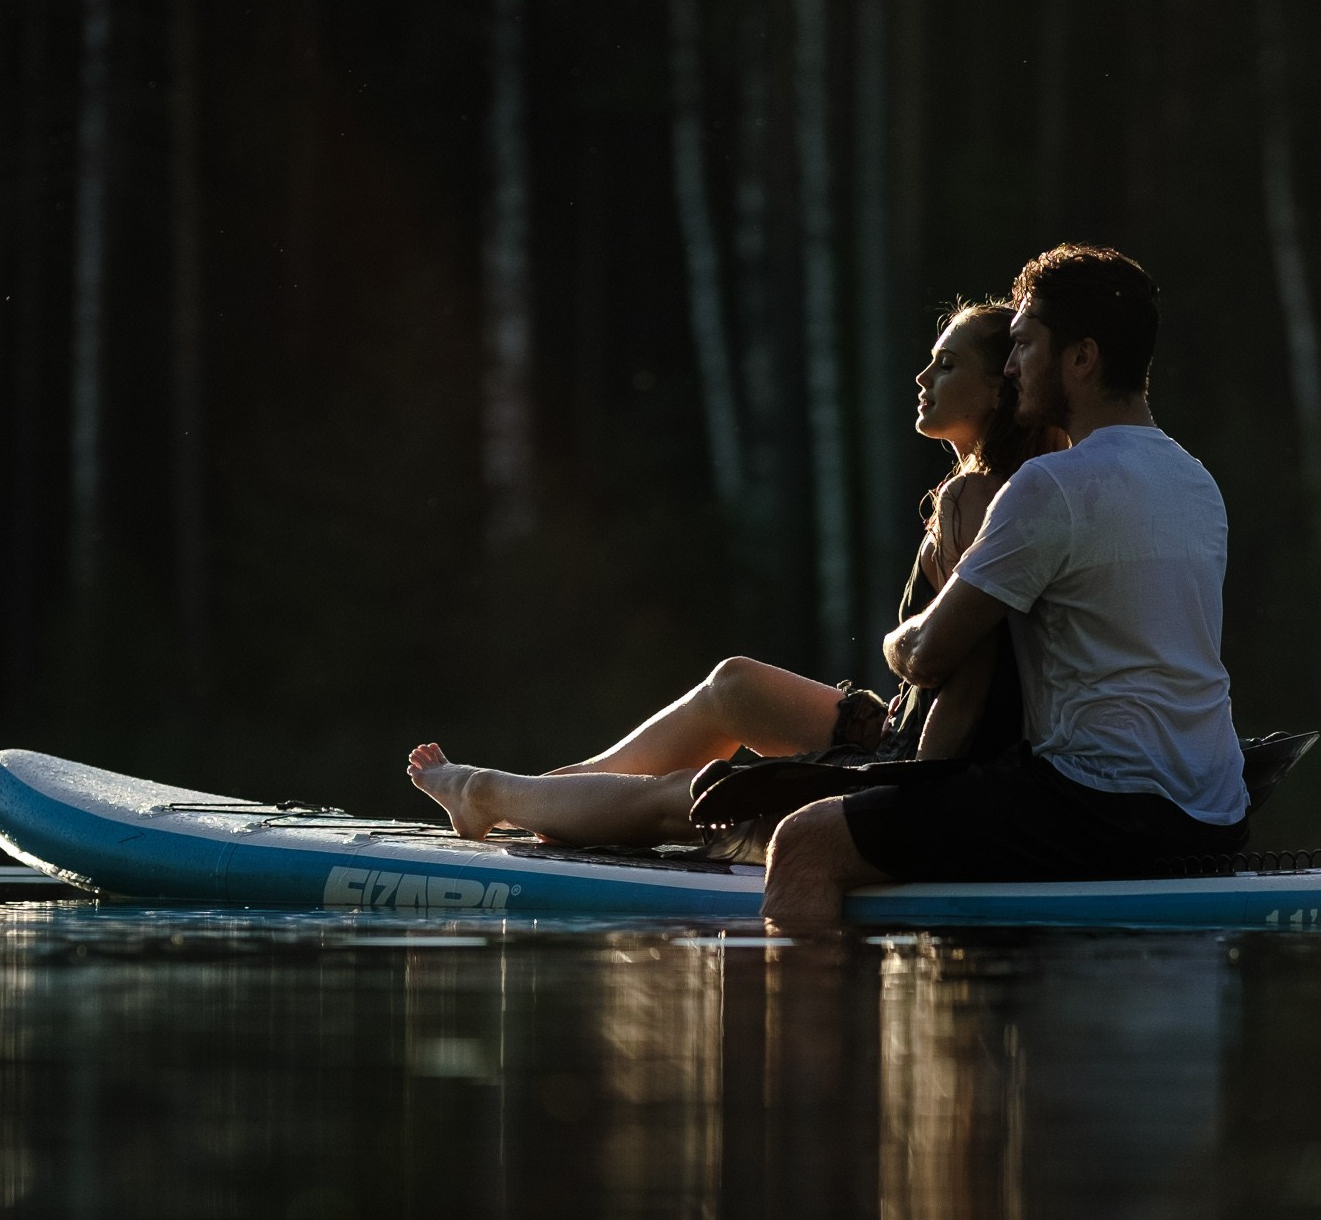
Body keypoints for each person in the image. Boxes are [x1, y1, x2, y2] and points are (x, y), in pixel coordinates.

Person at [405, 300, 1060, 849]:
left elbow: (970, 674)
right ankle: (554, 798)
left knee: (690, 797)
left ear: (999, 390)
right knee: (735, 685)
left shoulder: (973, 499)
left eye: (947, 366)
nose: (922, 377)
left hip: (922, 760)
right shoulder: (995, 489)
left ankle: (485, 791)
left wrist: (909, 793)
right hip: (902, 727)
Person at [763, 242, 1249, 934]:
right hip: (1216, 811)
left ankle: (833, 1040)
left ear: (1080, 360)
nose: (1012, 367)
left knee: (805, 843)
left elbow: (929, 652)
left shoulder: (1050, 487)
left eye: (1023, 346)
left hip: (1096, 808)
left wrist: (892, 640)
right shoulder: (1196, 481)